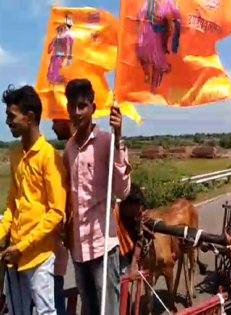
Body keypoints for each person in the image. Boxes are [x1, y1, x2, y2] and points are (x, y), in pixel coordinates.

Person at [63, 79, 131, 315]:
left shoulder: (107, 142)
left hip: (104, 247)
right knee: (89, 310)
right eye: (72, 106)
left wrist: (119, 135)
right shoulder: (69, 149)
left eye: (82, 106)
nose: (77, 112)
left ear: (93, 108)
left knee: (108, 311)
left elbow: (122, 191)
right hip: (79, 250)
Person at [0, 85, 66, 315]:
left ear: (30, 118)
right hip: (14, 254)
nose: (7, 121)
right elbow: (12, 204)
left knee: (45, 311)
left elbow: (56, 212)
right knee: (18, 311)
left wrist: (23, 246)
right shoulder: (16, 154)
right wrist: (2, 234)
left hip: (38, 255)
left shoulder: (49, 157)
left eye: (11, 116)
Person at [51, 119, 75, 315]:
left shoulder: (71, 149)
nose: (52, 127)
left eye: (54, 122)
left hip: (69, 236)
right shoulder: (70, 148)